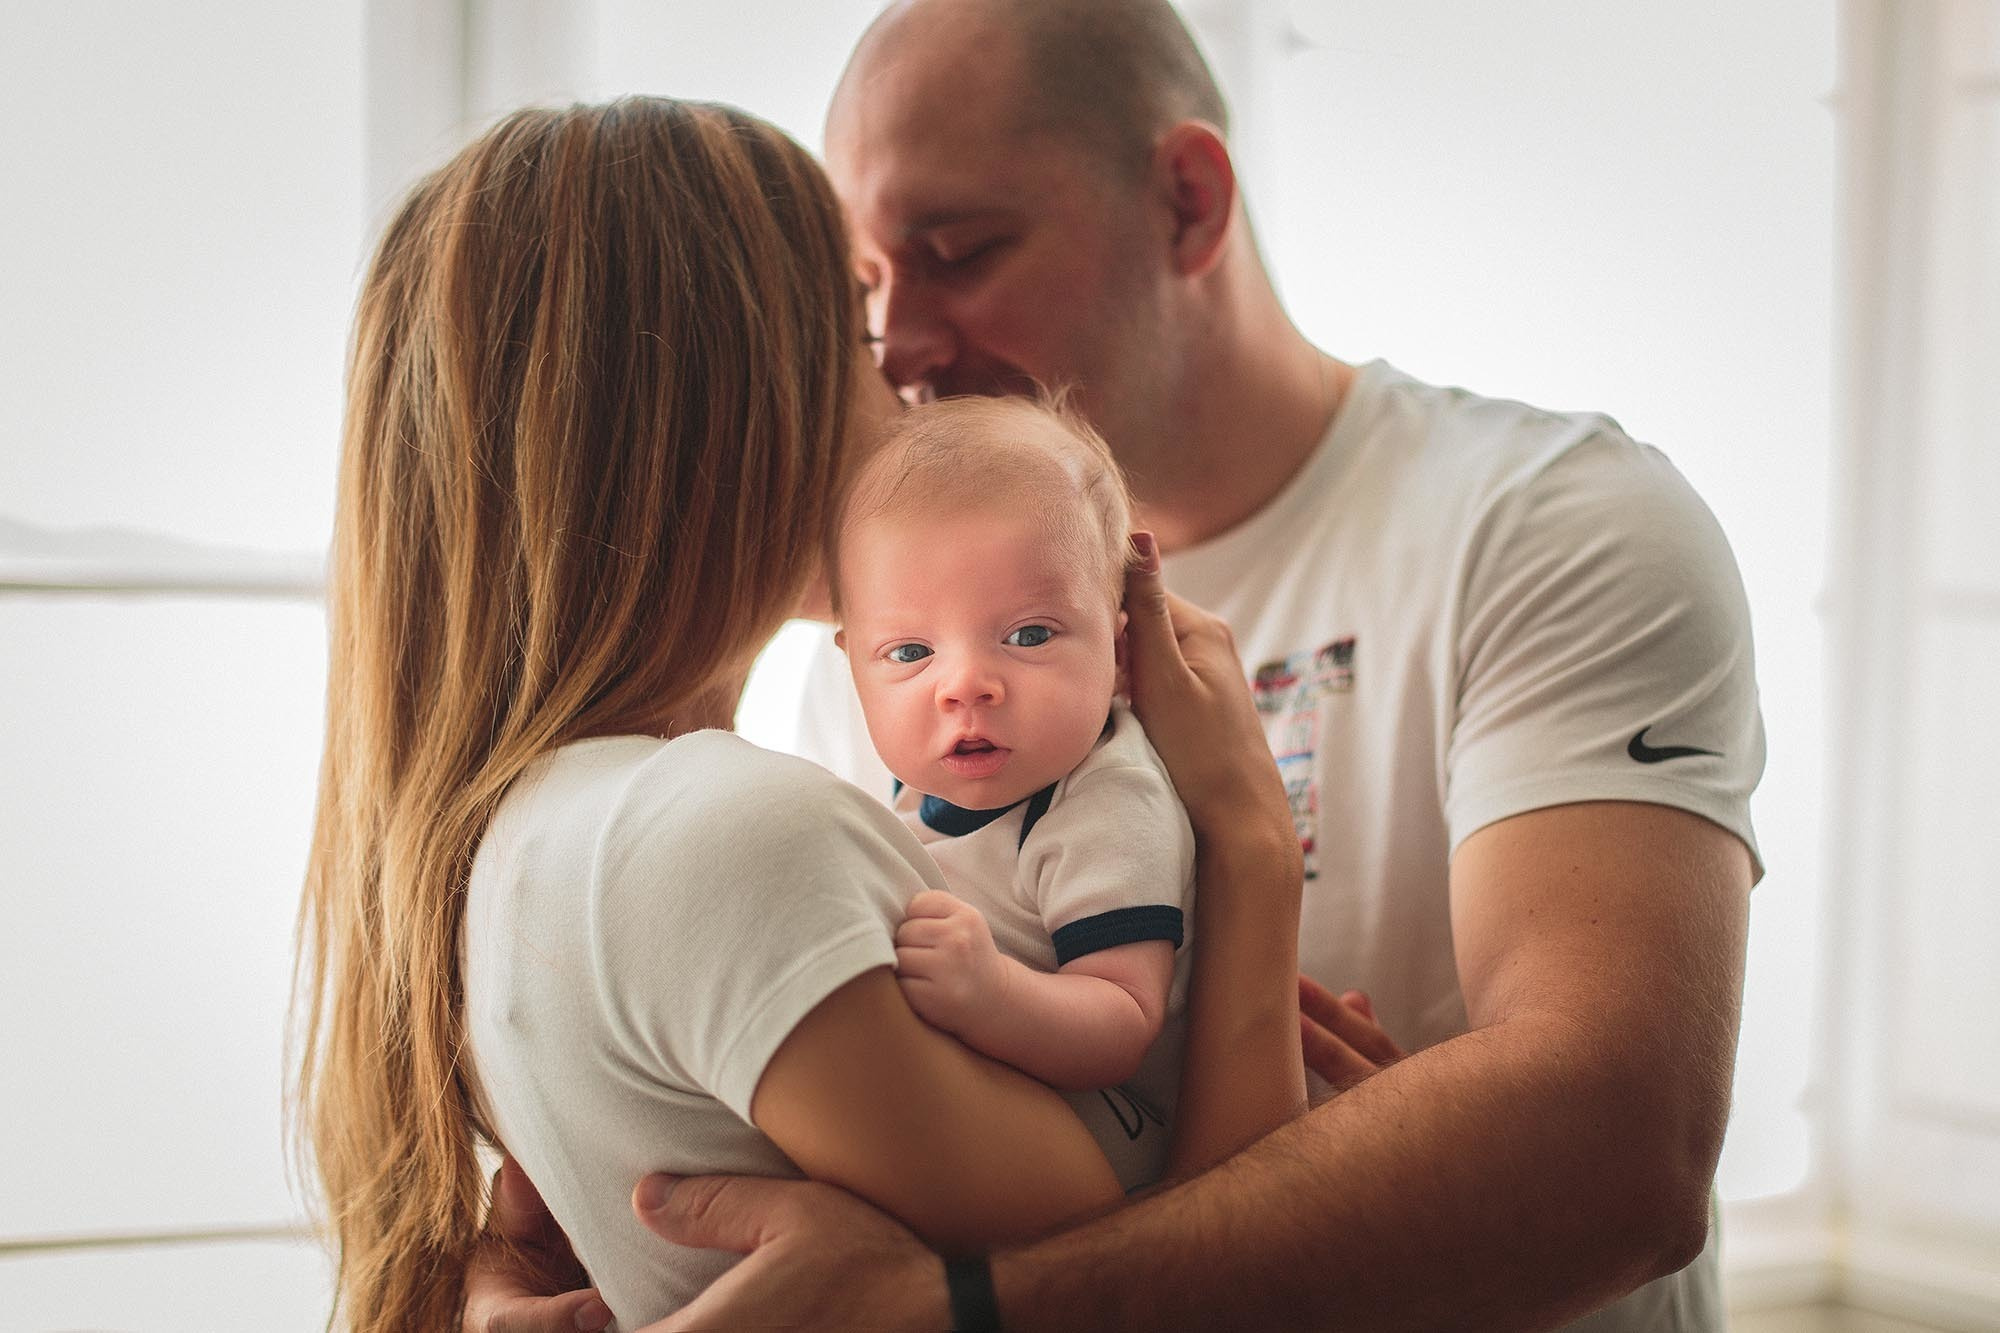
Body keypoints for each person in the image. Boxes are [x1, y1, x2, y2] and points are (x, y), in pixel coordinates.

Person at [466, 0, 1765, 1330]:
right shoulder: (878, 663)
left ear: (1189, 203)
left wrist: (963, 1310)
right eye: (866, 292)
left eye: (961, 250)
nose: (901, 343)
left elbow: (1624, 1150)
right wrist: (530, 1276)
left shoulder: (1549, 527)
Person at [293, 95, 1306, 1332]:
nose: (916, 396)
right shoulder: (720, 831)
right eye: (868, 344)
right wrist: (1250, 843)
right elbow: (1208, 1291)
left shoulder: (534, 832)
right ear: (729, 411)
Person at [837, 394, 1197, 1190]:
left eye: (1028, 635)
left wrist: (991, 993)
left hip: (1119, 1129)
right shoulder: (909, 792)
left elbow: (1122, 1019)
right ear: (852, 665)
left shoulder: (1102, 797)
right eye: (908, 651)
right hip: (1005, 1092)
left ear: (1119, 647)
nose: (965, 684)